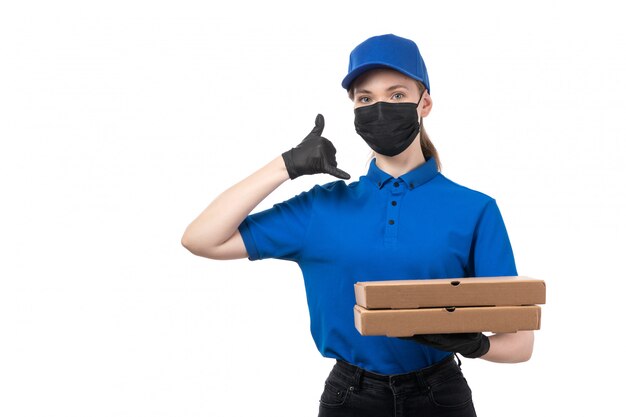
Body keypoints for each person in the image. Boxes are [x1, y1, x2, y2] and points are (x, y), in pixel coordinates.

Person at [181, 33, 534, 417]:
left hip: (440, 396)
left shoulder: (475, 210)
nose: (380, 107)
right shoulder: (322, 207)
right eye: (365, 98)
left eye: (397, 95)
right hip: (351, 398)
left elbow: (519, 344)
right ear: (353, 109)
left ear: (425, 103)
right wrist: (285, 166)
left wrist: (476, 345)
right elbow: (201, 239)